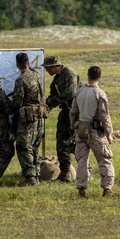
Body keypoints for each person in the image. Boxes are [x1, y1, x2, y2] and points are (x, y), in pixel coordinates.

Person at [69, 65, 117, 198]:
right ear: (99, 77)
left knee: (82, 161)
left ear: (88, 76)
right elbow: (104, 115)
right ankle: (107, 189)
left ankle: (81, 190)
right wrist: (109, 134)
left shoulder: (79, 92)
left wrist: (74, 127)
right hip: (96, 131)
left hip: (80, 130)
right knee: (105, 159)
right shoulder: (100, 94)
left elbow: (73, 112)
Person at [43, 54, 80, 182]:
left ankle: (85, 172)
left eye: (47, 68)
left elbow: (71, 92)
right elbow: (52, 96)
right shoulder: (56, 79)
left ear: (55, 66)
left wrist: (51, 101)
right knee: (61, 142)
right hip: (65, 113)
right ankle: (65, 173)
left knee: (77, 143)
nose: (46, 71)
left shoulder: (70, 73)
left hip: (76, 114)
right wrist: (45, 107)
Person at [12, 51, 45, 186]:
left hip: (27, 118)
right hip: (39, 116)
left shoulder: (21, 80)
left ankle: (30, 177)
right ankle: (36, 175)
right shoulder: (37, 76)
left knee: (23, 147)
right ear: (28, 62)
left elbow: (17, 103)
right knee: (35, 146)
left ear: (17, 65)